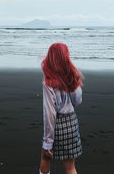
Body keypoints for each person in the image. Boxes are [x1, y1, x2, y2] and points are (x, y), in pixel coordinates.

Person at [39, 43, 85, 174]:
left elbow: (50, 113)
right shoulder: (72, 76)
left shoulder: (48, 82)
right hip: (71, 122)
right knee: (70, 167)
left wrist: (48, 141)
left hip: (56, 124)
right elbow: (77, 101)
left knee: (45, 156)